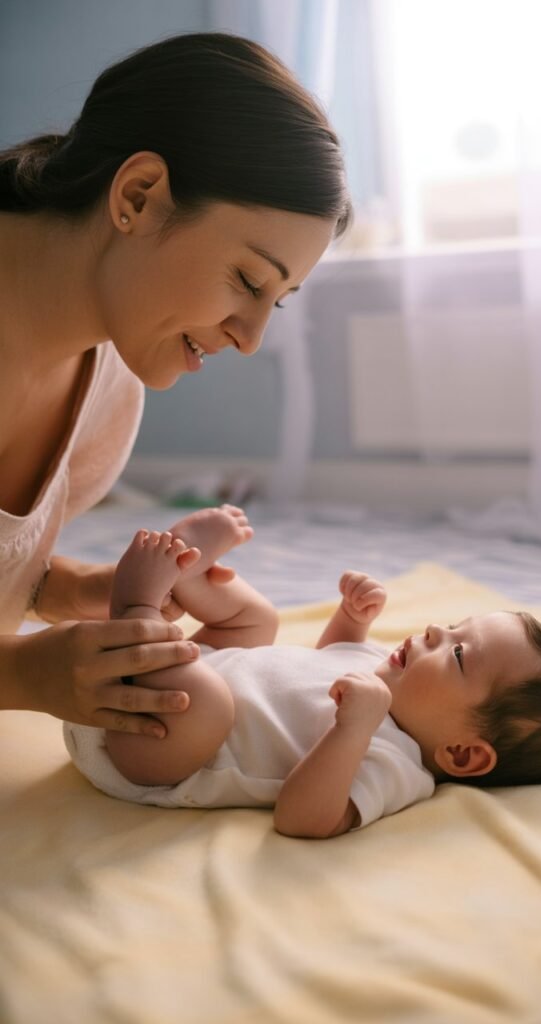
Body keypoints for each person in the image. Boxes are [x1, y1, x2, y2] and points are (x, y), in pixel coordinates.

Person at [0, 33, 351, 738]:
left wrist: (85, 590)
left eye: (276, 302)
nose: (250, 338)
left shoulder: (109, 391)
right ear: (139, 195)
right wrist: (21, 674)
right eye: (248, 279)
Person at [64, 505, 541, 839]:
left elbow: (303, 819)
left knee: (209, 704)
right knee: (259, 619)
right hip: (190, 675)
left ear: (462, 754)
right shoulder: (384, 674)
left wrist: (353, 729)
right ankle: (189, 573)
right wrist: (351, 620)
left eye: (459, 654)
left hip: (147, 746)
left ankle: (137, 606)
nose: (434, 632)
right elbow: (325, 663)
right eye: (451, 625)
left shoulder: (397, 768)